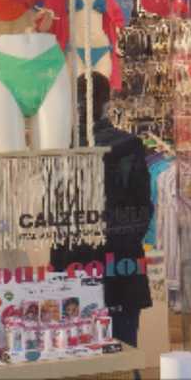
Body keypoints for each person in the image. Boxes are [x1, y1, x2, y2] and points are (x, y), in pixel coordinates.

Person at [50, 72, 153, 349]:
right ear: (107, 103)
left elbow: (52, 211)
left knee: (75, 350)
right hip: (120, 263)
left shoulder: (62, 148)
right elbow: (142, 207)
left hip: (74, 263)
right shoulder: (128, 145)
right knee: (122, 349)